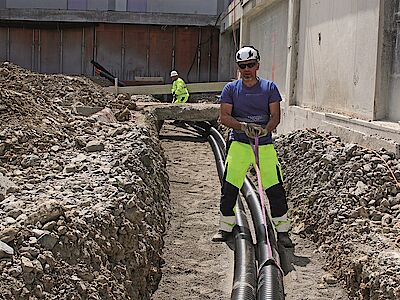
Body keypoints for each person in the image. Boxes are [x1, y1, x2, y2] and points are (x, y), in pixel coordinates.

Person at [211, 46, 293, 247]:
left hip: (264, 146)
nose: (247, 69)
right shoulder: (231, 89)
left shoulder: (269, 88)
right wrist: (243, 127)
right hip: (239, 144)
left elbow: (275, 116)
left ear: (258, 65)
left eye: (250, 65)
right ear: (238, 67)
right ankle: (226, 227)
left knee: (274, 188)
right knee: (230, 187)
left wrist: (265, 129)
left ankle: (282, 232)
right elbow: (224, 117)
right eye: (242, 66)